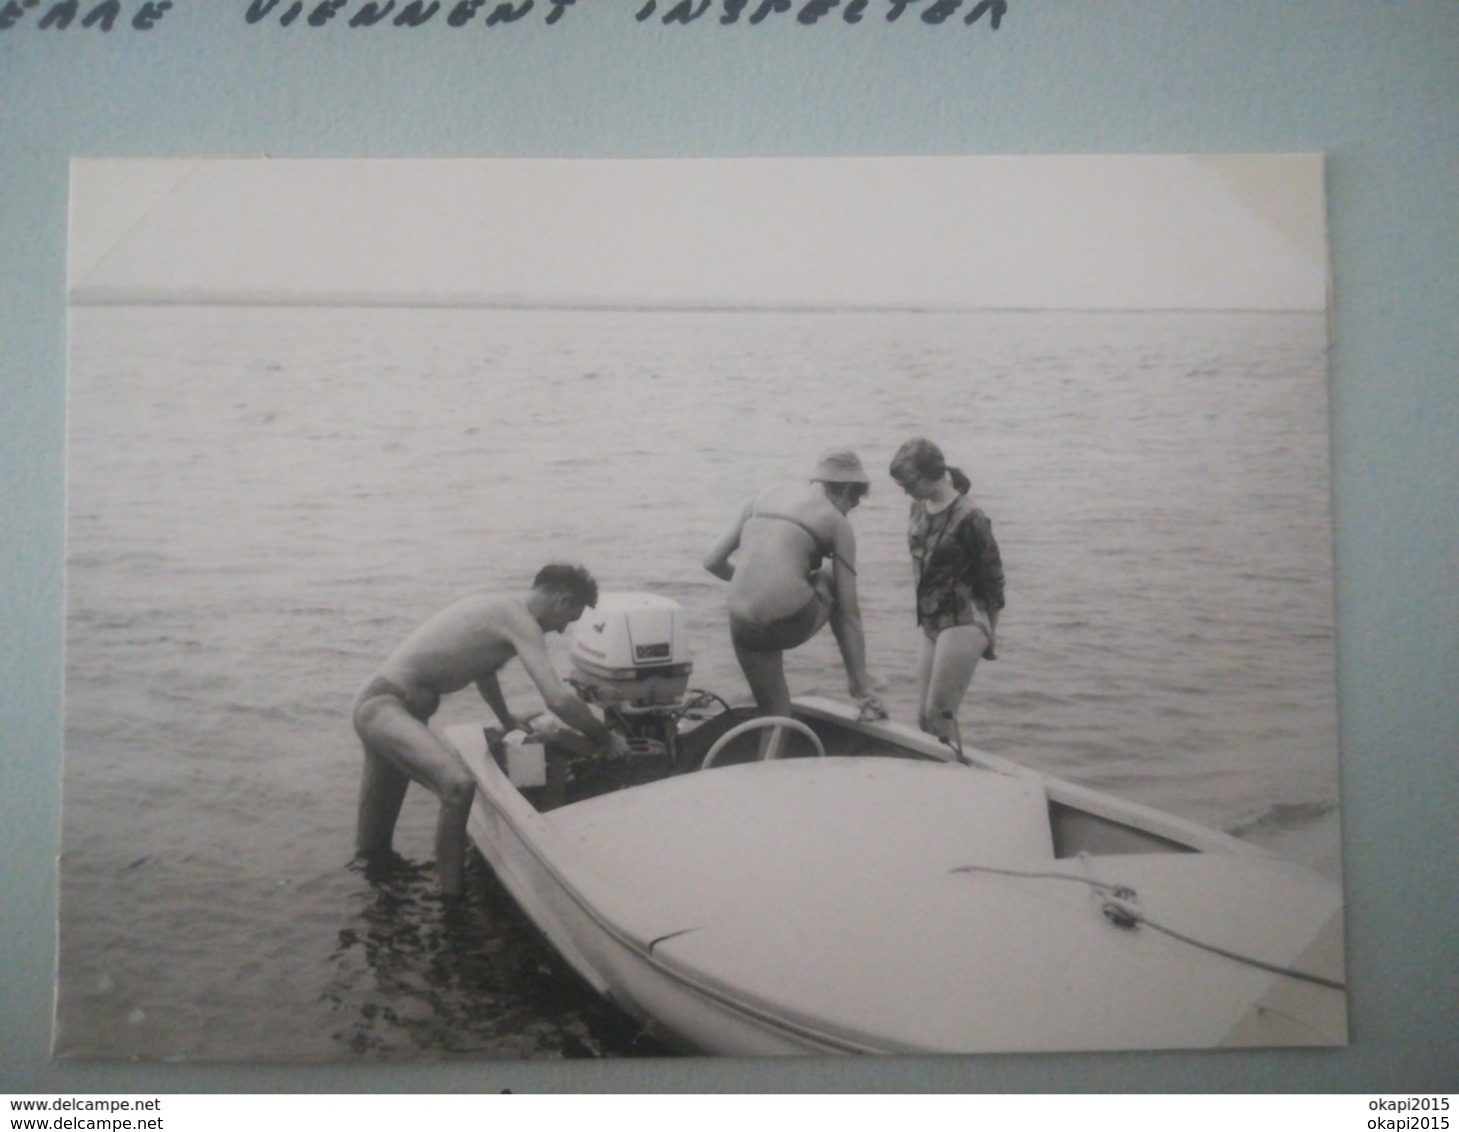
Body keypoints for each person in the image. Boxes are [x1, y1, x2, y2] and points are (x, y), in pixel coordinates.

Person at [352, 563, 629, 896]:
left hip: (388, 709)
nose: (560, 631)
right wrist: (605, 737)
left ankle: (370, 898)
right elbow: (557, 699)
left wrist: (507, 718)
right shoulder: (520, 620)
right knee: (457, 786)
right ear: (563, 601)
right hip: (384, 707)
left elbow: (484, 670)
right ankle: (451, 905)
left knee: (372, 848)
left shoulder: (500, 608)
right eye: (569, 621)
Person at [703, 448, 884, 722]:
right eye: (855, 500)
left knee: (775, 714)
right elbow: (849, 613)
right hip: (787, 623)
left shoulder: (764, 495)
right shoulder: (837, 522)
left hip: (742, 624)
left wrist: (765, 584)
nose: (852, 508)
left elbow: (712, 562)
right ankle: (860, 688)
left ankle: (768, 761)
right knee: (831, 576)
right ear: (847, 488)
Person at [889, 437, 1005, 744]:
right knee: (924, 719)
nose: (905, 491)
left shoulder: (970, 516)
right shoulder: (916, 508)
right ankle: (945, 777)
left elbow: (993, 580)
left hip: (964, 621)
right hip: (930, 621)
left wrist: (991, 633)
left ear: (932, 473)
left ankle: (957, 781)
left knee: (940, 712)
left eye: (909, 483)